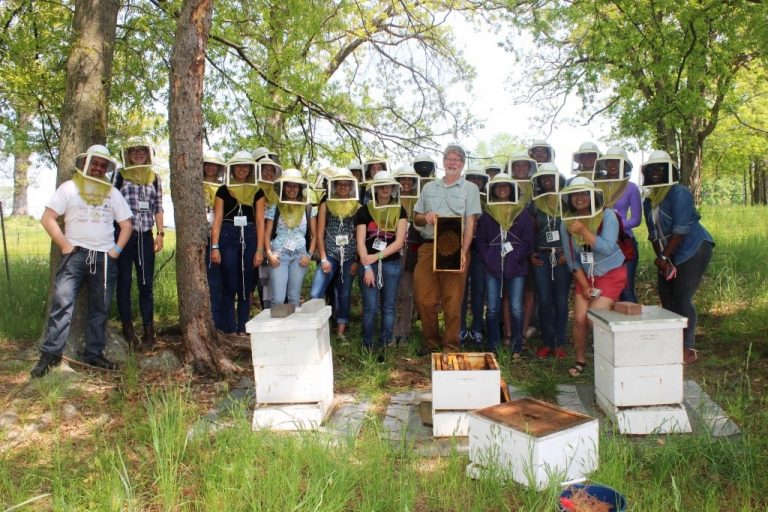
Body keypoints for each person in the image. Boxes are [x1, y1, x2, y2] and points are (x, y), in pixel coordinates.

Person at [31, 145, 133, 378]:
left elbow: (127, 224)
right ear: (85, 163)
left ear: (107, 168)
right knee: (62, 305)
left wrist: (115, 251)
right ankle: (50, 356)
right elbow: (48, 218)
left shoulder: (112, 193)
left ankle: (94, 355)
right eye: (94, 163)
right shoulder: (69, 187)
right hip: (75, 255)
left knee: (100, 308)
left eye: (102, 165)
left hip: (104, 258)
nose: (98, 168)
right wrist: (65, 245)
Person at [641, 150, 714, 365]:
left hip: (693, 247)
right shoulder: (649, 200)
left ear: (670, 171)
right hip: (669, 252)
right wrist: (663, 259)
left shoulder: (678, 193)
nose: (656, 172)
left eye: (661, 168)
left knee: (682, 296)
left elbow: (681, 230)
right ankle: (671, 343)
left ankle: (688, 348)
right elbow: (654, 234)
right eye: (652, 168)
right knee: (666, 295)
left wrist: (665, 256)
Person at [413, 144, 482, 354]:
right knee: (424, 299)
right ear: (443, 162)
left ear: (462, 164)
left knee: (453, 302)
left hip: (455, 247)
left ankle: (451, 347)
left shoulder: (470, 189)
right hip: (429, 247)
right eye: (449, 158)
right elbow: (415, 218)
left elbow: (470, 223)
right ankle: (431, 342)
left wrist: (464, 251)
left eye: (457, 159)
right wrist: (425, 217)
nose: (452, 162)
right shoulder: (428, 188)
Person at [560, 177, 627, 377]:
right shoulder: (567, 223)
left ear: (592, 195)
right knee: (580, 319)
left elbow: (606, 248)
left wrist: (583, 231)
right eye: (574, 194)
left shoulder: (608, 215)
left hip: (611, 272)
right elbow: (572, 260)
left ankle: (608, 360)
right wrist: (585, 286)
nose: (579, 198)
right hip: (585, 276)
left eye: (583, 193)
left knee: (594, 318)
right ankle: (580, 361)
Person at [475, 175, 534, 356]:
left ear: (511, 189)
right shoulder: (487, 214)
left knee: (516, 307)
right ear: (493, 190)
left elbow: (528, 240)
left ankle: (517, 346)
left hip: (516, 268)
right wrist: (489, 257)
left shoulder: (521, 212)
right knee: (492, 308)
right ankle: (493, 346)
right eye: (498, 186)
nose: (502, 189)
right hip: (492, 268)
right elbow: (481, 241)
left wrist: (517, 255)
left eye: (505, 186)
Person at [114, 142, 164, 348]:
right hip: (124, 235)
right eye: (133, 150)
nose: (138, 154)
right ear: (127, 154)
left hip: (145, 235)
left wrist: (160, 234)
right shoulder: (119, 175)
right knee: (124, 282)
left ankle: (148, 330)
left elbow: (158, 207)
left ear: (148, 154)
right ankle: (127, 328)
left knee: (146, 283)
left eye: (142, 150)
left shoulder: (154, 178)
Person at [210, 151, 265, 336]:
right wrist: (215, 246)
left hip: (250, 236)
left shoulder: (257, 191)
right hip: (227, 236)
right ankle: (228, 328)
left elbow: (259, 222)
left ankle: (243, 327)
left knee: (246, 283)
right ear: (232, 169)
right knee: (229, 283)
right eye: (238, 166)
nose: (242, 169)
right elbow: (217, 219)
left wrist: (259, 249)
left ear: (251, 168)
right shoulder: (223, 190)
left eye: (245, 166)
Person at [355, 172, 407, 359]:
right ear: (375, 189)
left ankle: (383, 346)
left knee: (388, 307)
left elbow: (399, 242)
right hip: (367, 265)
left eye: (388, 186)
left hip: (390, 264)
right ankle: (367, 346)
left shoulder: (400, 210)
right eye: (381, 186)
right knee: (370, 308)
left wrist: (375, 257)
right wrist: (368, 267)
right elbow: (360, 241)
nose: (385, 189)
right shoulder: (364, 210)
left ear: (393, 188)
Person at [310, 168, 360, 338]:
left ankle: (341, 332)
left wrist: (357, 260)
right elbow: (319, 232)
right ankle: (317, 327)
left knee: (344, 293)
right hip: (330, 254)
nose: (343, 187)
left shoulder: (357, 205)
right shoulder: (326, 204)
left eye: (347, 184)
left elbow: (361, 235)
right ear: (334, 186)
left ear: (351, 186)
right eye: (340, 184)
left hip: (350, 255)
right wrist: (323, 258)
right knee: (316, 292)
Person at [529, 163, 571, 359]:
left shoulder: (568, 200)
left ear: (558, 179)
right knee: (545, 301)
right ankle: (548, 342)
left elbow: (574, 229)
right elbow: (530, 231)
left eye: (550, 177)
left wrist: (568, 254)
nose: (547, 180)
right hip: (542, 257)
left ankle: (560, 343)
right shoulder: (535, 203)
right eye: (543, 177)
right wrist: (531, 253)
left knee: (561, 301)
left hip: (562, 256)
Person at [593, 146, 641, 302]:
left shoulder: (631, 187)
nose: (613, 165)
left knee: (626, 288)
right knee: (602, 287)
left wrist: (615, 226)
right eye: (610, 162)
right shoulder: (596, 185)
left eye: (617, 162)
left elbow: (636, 219)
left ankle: (633, 325)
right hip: (600, 242)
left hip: (624, 241)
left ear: (625, 165)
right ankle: (603, 325)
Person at [265, 169, 315, 306]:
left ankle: (294, 327)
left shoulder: (308, 207)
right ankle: (275, 327)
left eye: (295, 186)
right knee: (278, 299)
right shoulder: (275, 206)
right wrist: (269, 254)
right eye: (288, 185)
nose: (292, 189)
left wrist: (309, 255)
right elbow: (267, 233)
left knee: (294, 298)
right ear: (283, 186)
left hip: (300, 256)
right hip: (278, 255)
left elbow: (315, 235)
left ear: (300, 188)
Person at [460, 165, 490, 345]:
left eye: (479, 179)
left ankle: (477, 328)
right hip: (462, 248)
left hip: (480, 251)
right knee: (461, 291)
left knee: (479, 291)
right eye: (472, 178)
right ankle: (461, 329)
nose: (475, 182)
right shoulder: (459, 197)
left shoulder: (489, 201)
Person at [392, 164, 421, 344]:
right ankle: (393, 329)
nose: (407, 182)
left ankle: (405, 330)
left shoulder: (420, 201)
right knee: (391, 293)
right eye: (403, 179)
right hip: (391, 251)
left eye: (410, 179)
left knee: (407, 292)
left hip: (412, 251)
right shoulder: (391, 201)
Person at [203, 151, 226, 330]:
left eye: (214, 165)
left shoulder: (224, 187)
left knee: (216, 281)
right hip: (199, 236)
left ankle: (218, 322)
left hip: (218, 237)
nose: (210, 167)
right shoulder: (195, 184)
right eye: (207, 164)